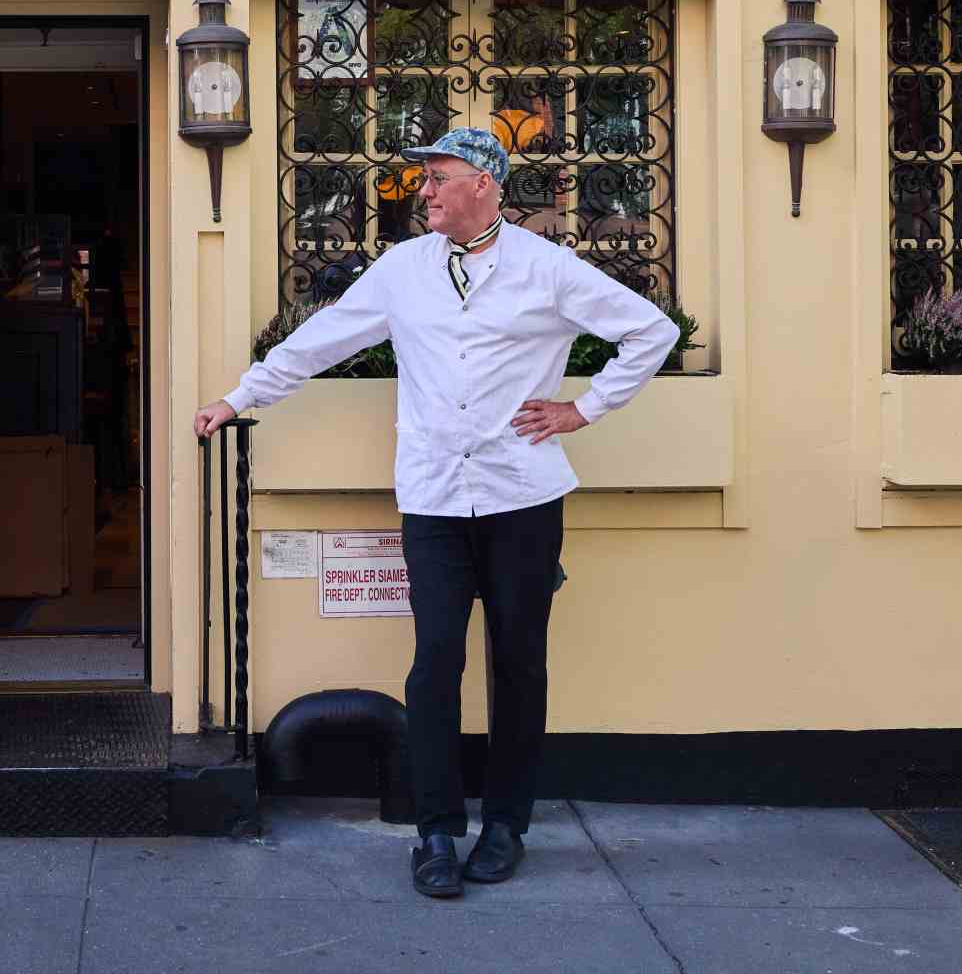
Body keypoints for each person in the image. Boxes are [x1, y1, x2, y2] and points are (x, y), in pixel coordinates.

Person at [194, 125, 678, 899]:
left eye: (438, 178)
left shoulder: (548, 268)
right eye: (424, 180)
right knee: (435, 665)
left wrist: (582, 409)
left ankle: (508, 824)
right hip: (433, 496)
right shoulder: (403, 269)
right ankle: (436, 831)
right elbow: (321, 340)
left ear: (484, 182)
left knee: (519, 663)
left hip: (523, 492)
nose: (423, 191)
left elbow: (651, 332)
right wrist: (239, 397)